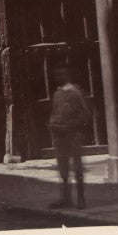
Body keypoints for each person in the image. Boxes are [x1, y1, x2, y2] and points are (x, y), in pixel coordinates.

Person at [47, 63, 92, 209]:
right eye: (56, 74)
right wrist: (52, 123)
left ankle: (81, 199)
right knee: (63, 168)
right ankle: (65, 199)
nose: (58, 77)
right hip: (59, 136)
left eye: (62, 74)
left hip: (73, 135)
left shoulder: (75, 92)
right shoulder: (57, 94)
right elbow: (56, 113)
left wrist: (69, 125)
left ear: (68, 76)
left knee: (77, 167)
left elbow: (85, 115)